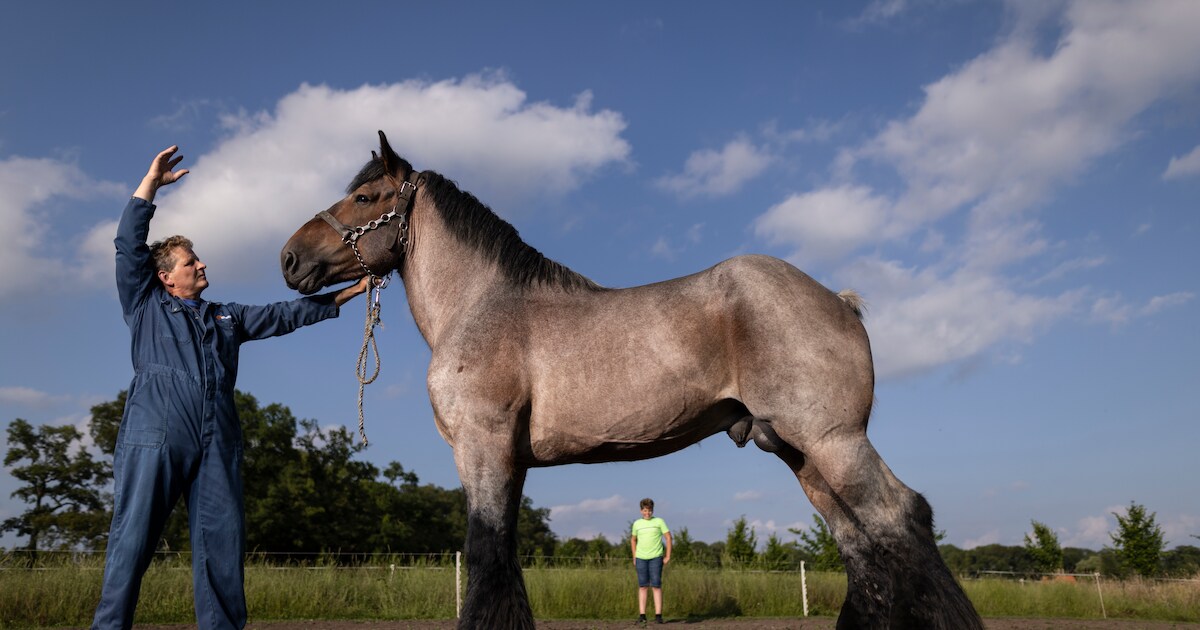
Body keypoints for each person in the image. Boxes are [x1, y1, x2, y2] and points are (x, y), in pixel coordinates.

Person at [92, 146, 370, 630]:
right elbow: (126, 243)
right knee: (132, 540)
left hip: (218, 439)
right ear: (165, 278)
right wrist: (150, 185)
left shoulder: (228, 316)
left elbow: (285, 316)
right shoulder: (145, 304)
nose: (200, 266)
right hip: (154, 435)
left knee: (221, 544)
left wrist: (351, 290)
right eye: (189, 262)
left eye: (198, 259)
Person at [631, 497, 672, 624]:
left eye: (649, 510)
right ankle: (642, 615)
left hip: (656, 558)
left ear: (652, 510)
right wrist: (634, 556)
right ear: (640, 511)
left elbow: (668, 538)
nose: (647, 513)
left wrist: (668, 556)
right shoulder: (637, 524)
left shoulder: (659, 522)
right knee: (643, 586)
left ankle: (658, 615)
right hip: (641, 558)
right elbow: (633, 540)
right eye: (644, 510)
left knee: (656, 586)